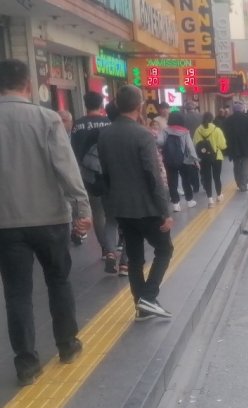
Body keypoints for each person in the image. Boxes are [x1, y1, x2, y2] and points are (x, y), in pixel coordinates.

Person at [0, 59, 92, 386]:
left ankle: (26, 364)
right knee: (58, 281)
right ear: (28, 85)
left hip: (6, 223)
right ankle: (67, 345)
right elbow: (66, 168)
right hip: (51, 218)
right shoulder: (48, 118)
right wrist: (83, 209)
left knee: (17, 294)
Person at [97, 85, 175, 321]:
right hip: (147, 207)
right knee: (164, 249)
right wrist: (165, 210)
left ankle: (141, 307)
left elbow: (105, 172)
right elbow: (154, 175)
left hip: (121, 207)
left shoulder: (105, 134)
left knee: (135, 257)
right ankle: (148, 298)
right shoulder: (143, 134)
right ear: (140, 105)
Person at [71, 91, 128, 275]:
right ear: (101, 104)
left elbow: (73, 150)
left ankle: (106, 250)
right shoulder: (109, 123)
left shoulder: (77, 125)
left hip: (88, 175)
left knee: (98, 212)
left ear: (85, 103)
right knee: (117, 216)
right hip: (112, 175)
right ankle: (119, 251)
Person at [160, 111, 200, 211]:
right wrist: (195, 160)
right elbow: (190, 147)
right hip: (184, 160)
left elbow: (159, 142)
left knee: (172, 181)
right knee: (186, 180)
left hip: (169, 159)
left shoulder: (165, 130)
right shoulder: (185, 131)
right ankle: (189, 201)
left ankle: (176, 204)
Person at [222, 102, 248, 192]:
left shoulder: (228, 120)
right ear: (242, 109)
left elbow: (224, 133)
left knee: (236, 166)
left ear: (233, 110)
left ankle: (238, 183)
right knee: (245, 166)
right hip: (247, 146)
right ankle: (243, 184)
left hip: (234, 147)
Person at [193, 111, 228, 207]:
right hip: (217, 156)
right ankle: (219, 195)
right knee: (217, 177)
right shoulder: (217, 130)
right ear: (212, 119)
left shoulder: (198, 130)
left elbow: (195, 144)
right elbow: (223, 145)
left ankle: (210, 200)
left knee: (207, 177)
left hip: (204, 158)